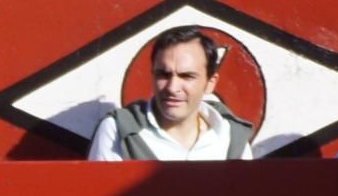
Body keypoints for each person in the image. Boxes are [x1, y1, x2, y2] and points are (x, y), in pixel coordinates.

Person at [88, 26, 254, 161]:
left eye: (187, 76)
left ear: (210, 83)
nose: (172, 87)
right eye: (163, 75)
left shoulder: (231, 135)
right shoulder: (118, 129)